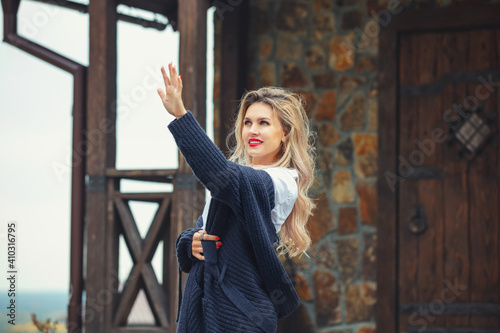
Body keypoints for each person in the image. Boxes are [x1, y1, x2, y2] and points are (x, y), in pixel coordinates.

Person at [157, 62, 316, 333]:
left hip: (239, 314)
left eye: (264, 123)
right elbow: (212, 226)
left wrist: (181, 115)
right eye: (247, 122)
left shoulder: (280, 182)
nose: (252, 131)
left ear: (285, 134)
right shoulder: (243, 176)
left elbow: (224, 177)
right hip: (205, 307)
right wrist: (192, 240)